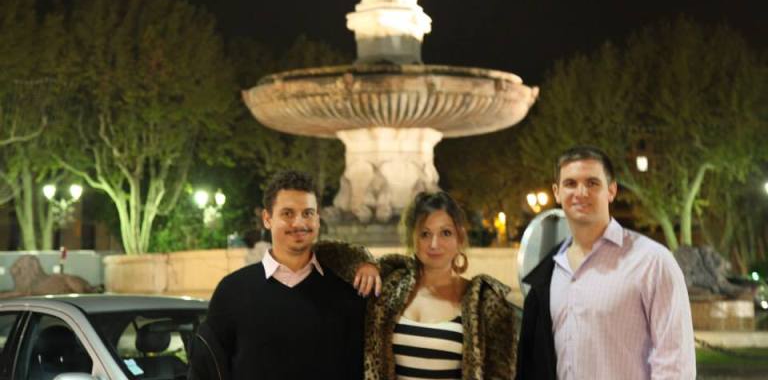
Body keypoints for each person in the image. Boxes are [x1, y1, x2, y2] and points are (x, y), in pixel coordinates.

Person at [516, 146, 695, 379]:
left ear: (611, 191)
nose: (580, 192)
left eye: (592, 183)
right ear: (557, 192)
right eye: (570, 183)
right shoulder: (551, 272)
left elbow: (675, 364)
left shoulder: (652, 262)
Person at [319, 190, 516, 379]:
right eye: (425, 234)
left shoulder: (485, 301)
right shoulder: (389, 287)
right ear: (413, 238)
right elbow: (325, 251)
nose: (434, 244)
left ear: (460, 237)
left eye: (445, 233)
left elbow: (501, 373)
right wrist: (363, 262)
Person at [190, 170, 366, 380]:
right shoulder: (232, 291)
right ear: (267, 219)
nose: (299, 223)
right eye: (287, 213)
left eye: (308, 213)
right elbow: (205, 369)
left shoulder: (345, 290)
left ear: (318, 220)